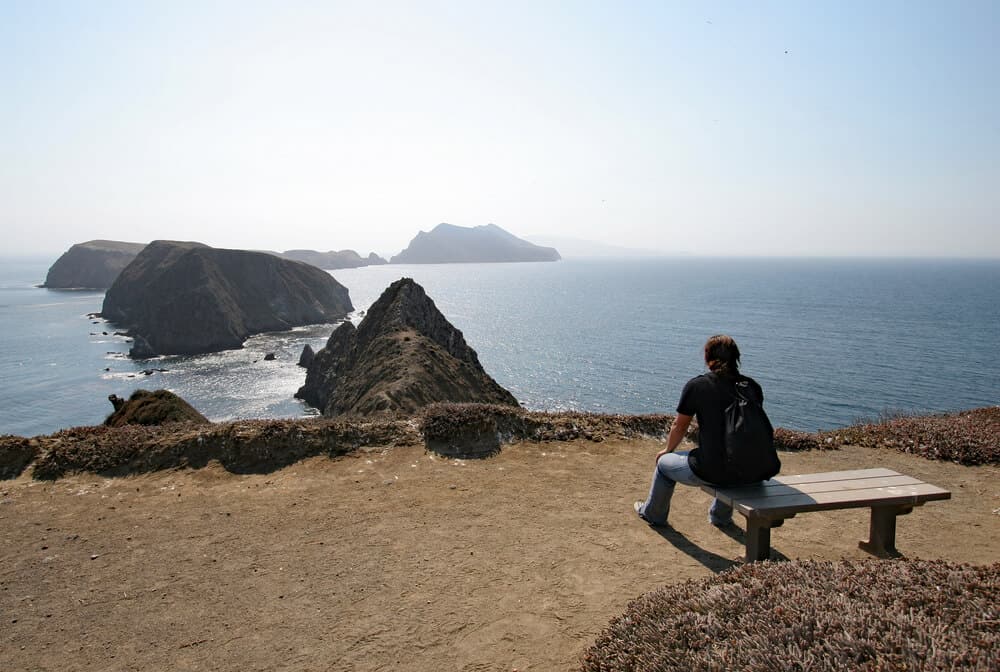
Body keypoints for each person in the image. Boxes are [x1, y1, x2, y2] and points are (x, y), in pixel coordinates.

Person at [634, 334, 772, 528]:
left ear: (708, 357)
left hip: (713, 471)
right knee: (730, 459)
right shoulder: (752, 387)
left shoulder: (698, 386)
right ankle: (720, 517)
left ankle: (653, 514)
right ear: (736, 357)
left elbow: (680, 426)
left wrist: (667, 450)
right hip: (753, 471)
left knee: (664, 465)